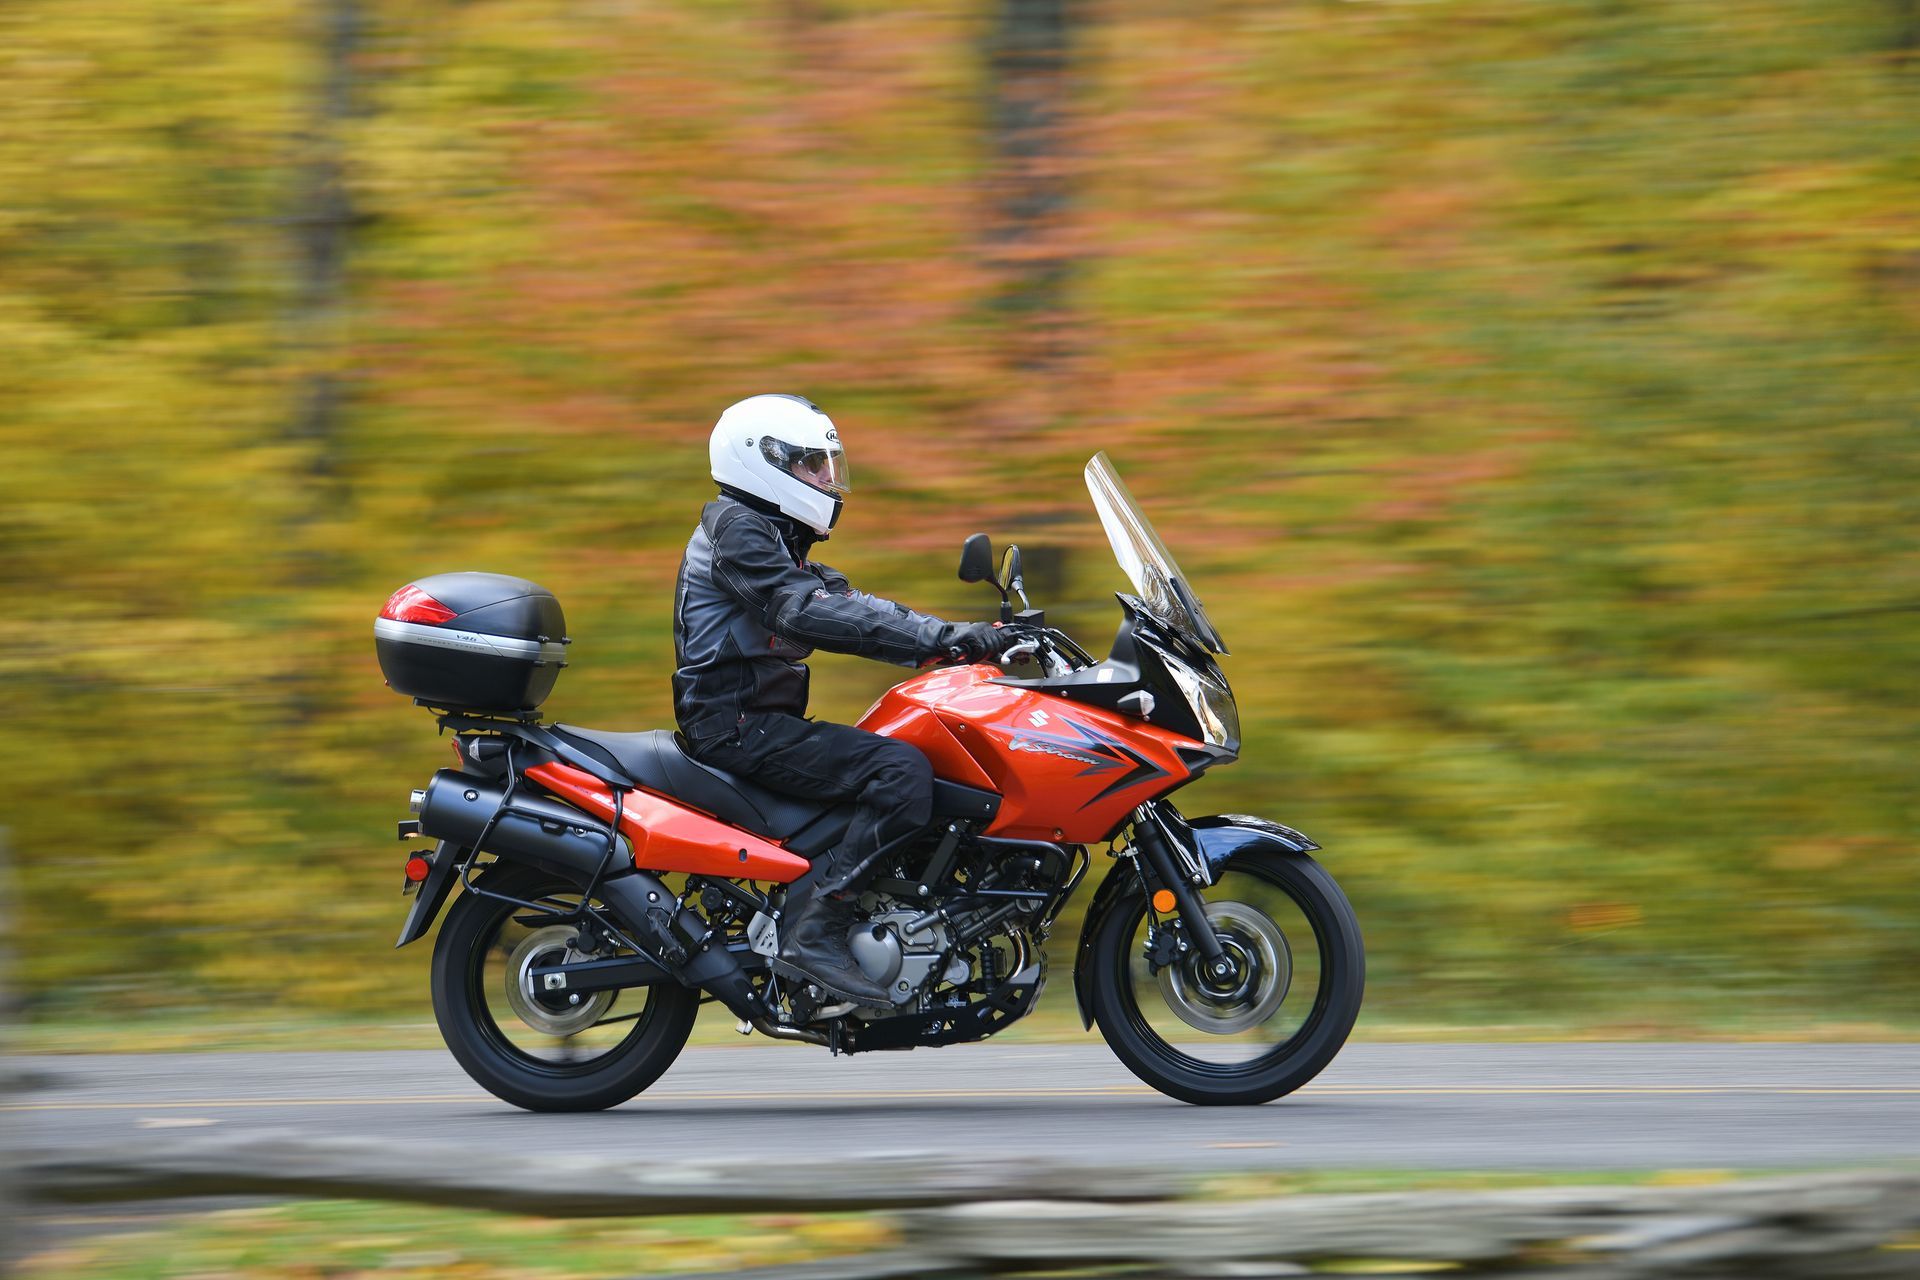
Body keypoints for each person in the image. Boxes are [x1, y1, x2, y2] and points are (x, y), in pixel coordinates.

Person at [673, 393, 1013, 1006]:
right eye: (811, 465)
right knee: (900, 771)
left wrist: (955, 639)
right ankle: (817, 932)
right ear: (761, 461)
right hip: (735, 724)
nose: (826, 480)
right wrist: (944, 639)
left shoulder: (774, 538)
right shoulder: (739, 534)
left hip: (757, 719)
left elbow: (852, 605)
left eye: (827, 465)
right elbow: (805, 610)